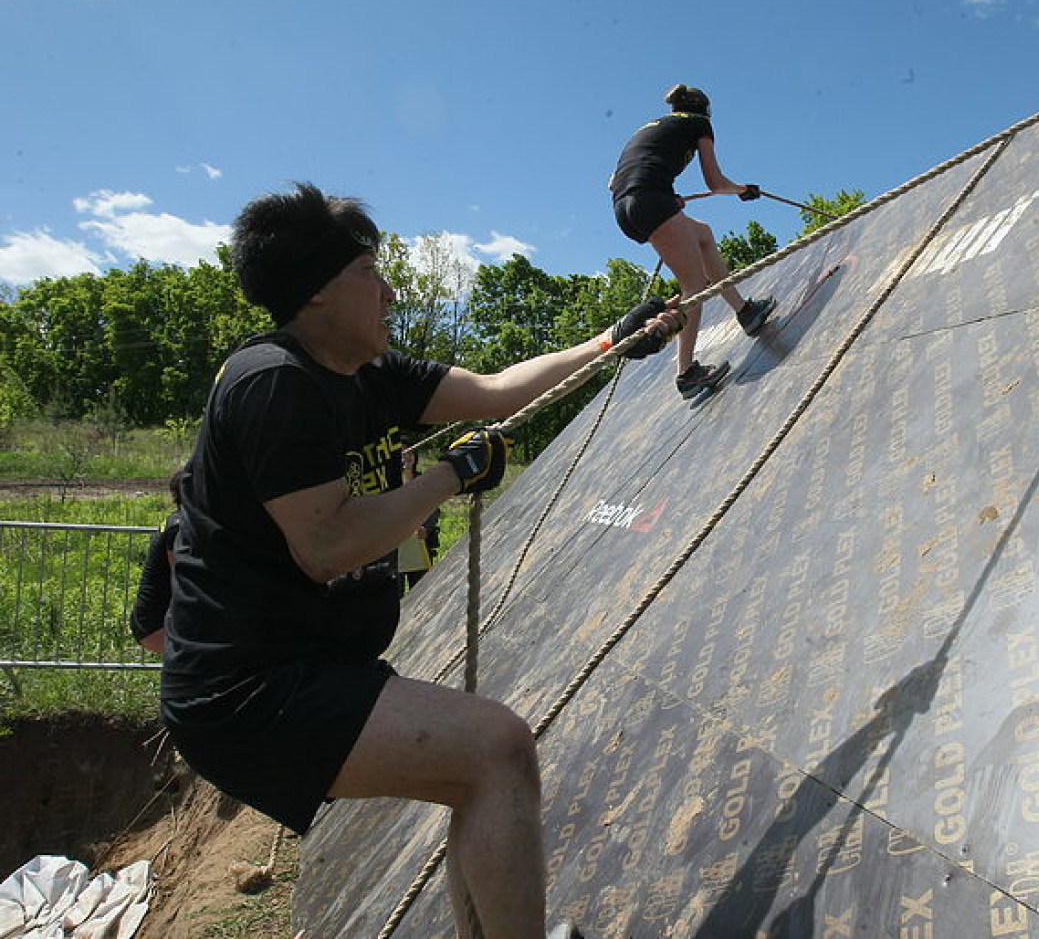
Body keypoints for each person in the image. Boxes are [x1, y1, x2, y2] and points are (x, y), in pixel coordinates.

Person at [161, 182, 680, 939]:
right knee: (496, 748)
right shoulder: (276, 385)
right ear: (316, 296)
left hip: (301, 664)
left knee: (482, 770)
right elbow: (328, 544)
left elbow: (497, 392)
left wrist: (611, 342)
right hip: (244, 689)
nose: (391, 290)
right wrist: (450, 477)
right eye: (370, 272)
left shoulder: (366, 376)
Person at [610, 83, 776, 399]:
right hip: (650, 200)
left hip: (626, 207)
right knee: (694, 287)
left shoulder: (654, 127)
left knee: (702, 234)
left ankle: (744, 311)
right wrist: (742, 190)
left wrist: (664, 194)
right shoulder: (698, 123)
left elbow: (613, 182)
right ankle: (686, 373)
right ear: (705, 110)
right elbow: (714, 182)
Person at [129, 468, 184, 654]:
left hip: (156, 618)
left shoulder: (179, 521)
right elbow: (183, 578)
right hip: (155, 622)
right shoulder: (179, 527)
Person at [397, 448, 440, 592]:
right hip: (395, 547)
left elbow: (433, 507)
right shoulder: (388, 484)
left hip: (420, 545)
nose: (406, 457)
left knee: (422, 590)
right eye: (402, 454)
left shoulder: (423, 481)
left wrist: (426, 528)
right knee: (396, 593)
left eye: (409, 453)